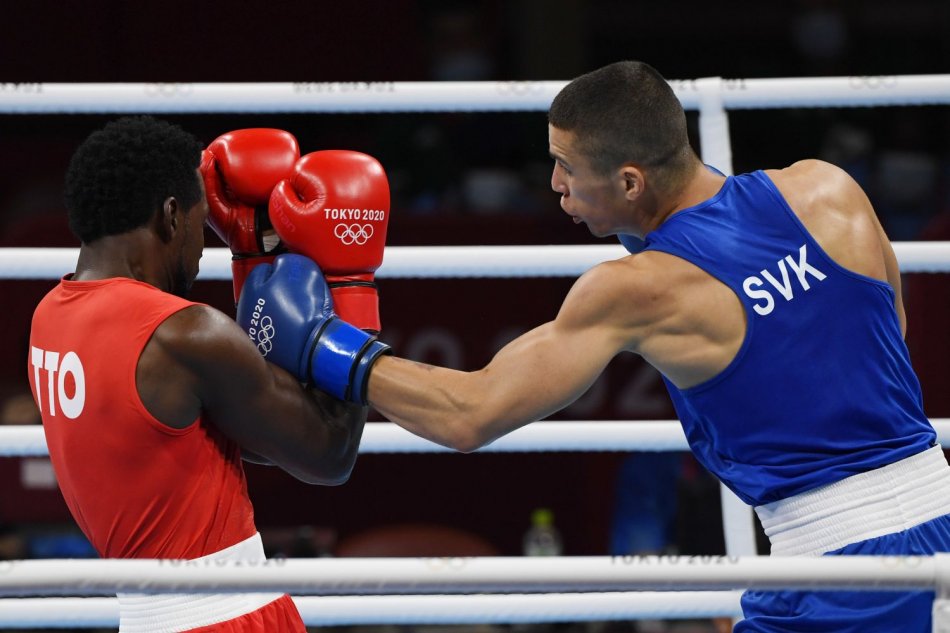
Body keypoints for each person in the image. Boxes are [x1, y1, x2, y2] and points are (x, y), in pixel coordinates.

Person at [237, 61, 950, 631]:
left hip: (840, 572)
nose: (555, 185)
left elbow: (470, 413)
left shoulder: (636, 289)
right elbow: (886, 335)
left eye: (566, 167)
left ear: (630, 181)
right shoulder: (827, 189)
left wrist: (324, 347)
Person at [27, 116, 371, 632]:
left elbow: (239, 429)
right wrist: (351, 283)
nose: (202, 250)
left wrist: (252, 259)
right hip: (231, 616)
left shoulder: (48, 320)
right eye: (201, 221)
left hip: (145, 619)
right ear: (171, 216)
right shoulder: (183, 335)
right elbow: (330, 454)